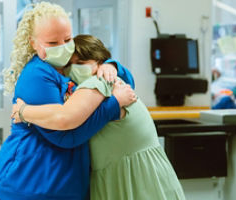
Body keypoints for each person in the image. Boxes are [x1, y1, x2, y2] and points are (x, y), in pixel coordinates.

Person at [0, 3, 136, 200]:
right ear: (33, 43)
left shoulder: (68, 65)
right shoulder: (37, 74)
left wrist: (110, 66)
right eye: (52, 43)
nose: (62, 48)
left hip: (63, 183)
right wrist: (113, 105)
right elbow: (65, 134)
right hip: (26, 184)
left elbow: (127, 82)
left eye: (67, 39)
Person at [12, 35, 186, 200]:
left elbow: (65, 121)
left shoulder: (97, 83)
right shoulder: (104, 82)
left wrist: (24, 112)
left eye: (81, 63)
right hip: (147, 176)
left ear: (100, 63)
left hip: (131, 180)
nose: (74, 70)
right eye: (69, 65)